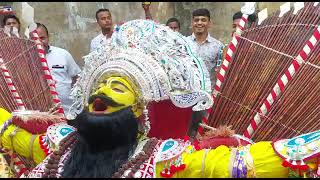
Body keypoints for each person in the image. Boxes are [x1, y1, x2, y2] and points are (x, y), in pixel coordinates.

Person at [23, 20, 318, 178]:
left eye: (117, 86)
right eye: (100, 85)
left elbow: (238, 164)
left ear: (138, 107)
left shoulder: (161, 158)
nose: (102, 92)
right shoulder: (60, 143)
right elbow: (9, 132)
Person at [36, 23, 81, 113]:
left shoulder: (62, 54)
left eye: (42, 38)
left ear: (48, 37)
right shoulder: (25, 60)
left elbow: (77, 77)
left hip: (68, 111)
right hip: (41, 114)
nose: (39, 42)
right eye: (35, 39)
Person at [186, 8, 224, 86]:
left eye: (203, 20)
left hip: (209, 93)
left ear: (209, 23)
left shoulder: (218, 46)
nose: (199, 23)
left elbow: (221, 72)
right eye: (196, 20)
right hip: (188, 92)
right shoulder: (184, 43)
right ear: (192, 23)